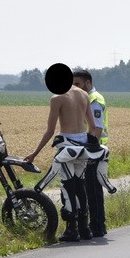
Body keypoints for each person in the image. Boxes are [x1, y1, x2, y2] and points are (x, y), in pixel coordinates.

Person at [24, 75, 97, 241]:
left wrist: (34, 154)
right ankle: (85, 227)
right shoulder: (83, 94)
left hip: (66, 147)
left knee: (68, 186)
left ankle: (72, 228)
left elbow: (50, 131)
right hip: (83, 146)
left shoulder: (57, 98)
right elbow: (92, 127)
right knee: (80, 185)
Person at [72, 69, 109, 238]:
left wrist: (88, 149)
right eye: (72, 84)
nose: (75, 87)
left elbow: (97, 128)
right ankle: (95, 225)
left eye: (78, 84)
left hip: (95, 150)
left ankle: (98, 226)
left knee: (93, 190)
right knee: (89, 189)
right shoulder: (85, 98)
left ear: (88, 82)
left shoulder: (94, 99)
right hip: (91, 150)